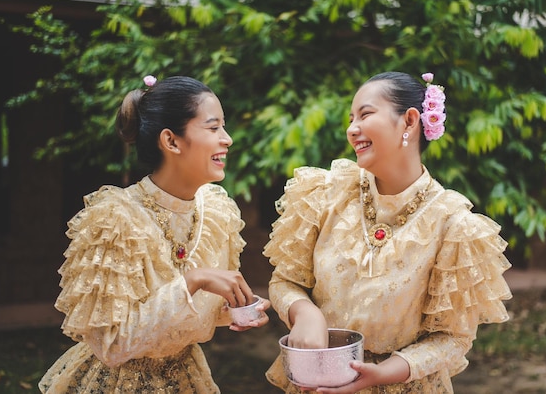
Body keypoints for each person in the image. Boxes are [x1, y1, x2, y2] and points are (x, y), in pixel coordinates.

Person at [263, 71, 512, 393]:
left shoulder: (454, 226)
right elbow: (286, 281)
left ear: (409, 121)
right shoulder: (324, 193)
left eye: (365, 114)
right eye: (351, 118)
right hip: (318, 380)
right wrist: (305, 312)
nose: (352, 129)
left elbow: (453, 337)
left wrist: (384, 373)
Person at [39, 75, 270, 393]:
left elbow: (188, 316)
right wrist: (194, 280)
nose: (227, 139)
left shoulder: (217, 211)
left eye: (223, 127)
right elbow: (112, 345)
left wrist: (232, 310)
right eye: (214, 127)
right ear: (172, 141)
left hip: (188, 379)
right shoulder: (114, 219)